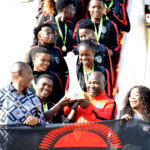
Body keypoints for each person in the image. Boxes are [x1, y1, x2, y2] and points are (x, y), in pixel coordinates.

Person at [0, 61, 45, 126]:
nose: (32, 77)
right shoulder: (1, 94)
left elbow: (43, 120)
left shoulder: (34, 98)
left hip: (27, 136)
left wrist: (37, 120)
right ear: (20, 73)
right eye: (30, 73)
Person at [25, 23, 68, 89]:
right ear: (39, 36)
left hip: (54, 85)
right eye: (48, 34)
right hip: (37, 86)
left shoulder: (57, 50)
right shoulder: (33, 51)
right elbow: (27, 70)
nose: (51, 36)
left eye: (52, 33)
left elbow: (63, 70)